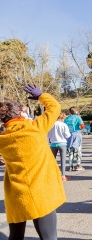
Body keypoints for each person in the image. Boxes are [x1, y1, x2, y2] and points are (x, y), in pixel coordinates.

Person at [0, 84, 66, 239]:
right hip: (41, 193)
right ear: (20, 114)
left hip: (16, 195)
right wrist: (41, 95)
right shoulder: (35, 127)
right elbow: (55, 107)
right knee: (49, 236)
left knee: (15, 236)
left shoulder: (2, 139)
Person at [48, 112, 71, 181]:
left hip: (53, 143)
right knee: (63, 160)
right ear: (62, 118)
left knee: (53, 160)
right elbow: (67, 135)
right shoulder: (63, 125)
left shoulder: (51, 125)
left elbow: (48, 135)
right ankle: (63, 176)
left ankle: (52, 175)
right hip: (62, 143)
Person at [64, 106, 85, 171]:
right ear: (76, 111)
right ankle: (78, 165)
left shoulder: (66, 119)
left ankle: (70, 166)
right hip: (77, 134)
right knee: (78, 150)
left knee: (71, 151)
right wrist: (80, 128)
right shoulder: (78, 118)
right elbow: (82, 126)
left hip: (69, 135)